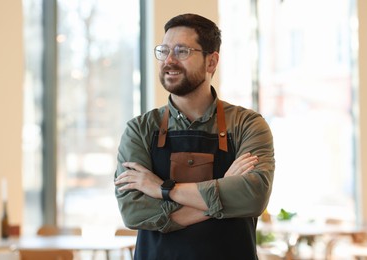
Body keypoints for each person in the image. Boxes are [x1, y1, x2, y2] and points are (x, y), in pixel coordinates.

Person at [114, 13, 275, 260]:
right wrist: (222, 194)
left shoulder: (248, 124)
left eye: (181, 51)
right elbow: (134, 212)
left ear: (211, 62)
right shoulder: (140, 129)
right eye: (164, 51)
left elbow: (253, 197)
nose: (169, 61)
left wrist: (163, 189)